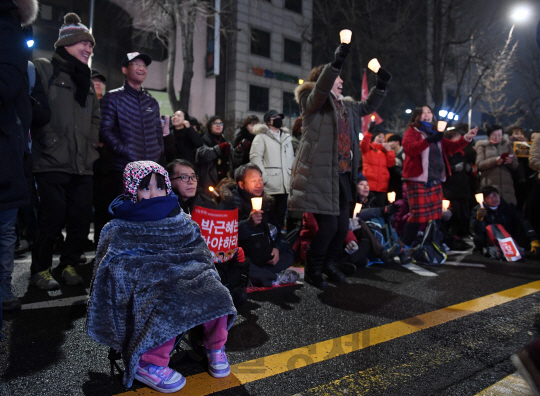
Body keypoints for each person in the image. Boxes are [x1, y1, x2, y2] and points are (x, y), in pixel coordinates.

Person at [86, 161, 236, 392]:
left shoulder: (180, 218)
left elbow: (198, 250)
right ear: (131, 190)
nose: (154, 194)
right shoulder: (119, 226)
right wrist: (150, 272)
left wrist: (198, 269)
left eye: (160, 187)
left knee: (216, 291)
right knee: (168, 299)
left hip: (187, 273)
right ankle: (149, 364)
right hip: (150, 281)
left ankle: (215, 347)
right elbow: (113, 266)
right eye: (145, 188)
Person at [289, 42, 390, 288]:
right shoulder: (312, 101)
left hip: (344, 176)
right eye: (337, 78)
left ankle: (328, 265)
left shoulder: (347, 106)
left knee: (342, 226)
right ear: (324, 78)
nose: (341, 81)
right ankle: (313, 270)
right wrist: (335, 63)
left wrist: (382, 84)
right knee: (328, 228)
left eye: (341, 77)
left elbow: (368, 107)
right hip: (321, 175)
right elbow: (321, 89)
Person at [30, 12, 100, 289]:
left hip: (83, 163)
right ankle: (41, 269)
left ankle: (69, 264)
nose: (89, 49)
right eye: (84, 43)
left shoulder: (87, 79)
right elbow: (36, 107)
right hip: (51, 160)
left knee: (81, 219)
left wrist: (91, 146)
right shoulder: (44, 68)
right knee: (52, 218)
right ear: (66, 44)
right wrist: (51, 141)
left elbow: (95, 117)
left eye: (91, 46)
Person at [399, 105, 477, 262]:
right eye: (423, 113)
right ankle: (402, 247)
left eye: (429, 112)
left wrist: (467, 137)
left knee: (435, 216)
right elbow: (410, 149)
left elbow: (452, 147)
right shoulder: (412, 132)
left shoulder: (437, 133)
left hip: (435, 179)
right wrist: (428, 140)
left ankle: (429, 245)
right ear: (416, 118)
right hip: (418, 180)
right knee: (417, 217)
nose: (427, 115)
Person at [0, 0, 38, 313]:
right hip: (11, 143)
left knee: (5, 228)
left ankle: (3, 288)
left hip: (9, 147)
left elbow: (10, 86)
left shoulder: (10, 27)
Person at [219, 163, 298, 287]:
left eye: (260, 180)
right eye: (253, 181)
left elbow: (276, 230)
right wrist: (248, 224)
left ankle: (256, 277)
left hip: (263, 255)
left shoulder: (266, 202)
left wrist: (276, 248)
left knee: (288, 255)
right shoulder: (231, 203)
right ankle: (271, 278)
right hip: (245, 256)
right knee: (237, 265)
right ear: (241, 185)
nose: (259, 185)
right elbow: (225, 236)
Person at [100, 52, 163, 195]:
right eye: (136, 64)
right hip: (123, 168)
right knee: (125, 213)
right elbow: (104, 130)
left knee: (148, 214)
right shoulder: (113, 97)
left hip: (151, 169)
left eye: (144, 66)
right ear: (124, 69)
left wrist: (158, 151)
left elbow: (158, 131)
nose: (141, 68)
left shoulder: (151, 102)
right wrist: (125, 151)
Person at [250, 110, 295, 229]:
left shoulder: (286, 138)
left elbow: (291, 159)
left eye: (280, 117)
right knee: (267, 219)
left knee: (280, 220)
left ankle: (278, 245)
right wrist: (263, 177)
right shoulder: (261, 137)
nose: (279, 118)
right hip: (270, 186)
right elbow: (255, 158)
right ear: (268, 121)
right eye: (275, 117)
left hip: (285, 186)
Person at [470, 186, 539, 256]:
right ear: (484, 200)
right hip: (490, 240)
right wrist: (479, 219)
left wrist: (533, 239)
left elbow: (523, 222)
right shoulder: (478, 210)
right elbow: (476, 230)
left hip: (509, 237)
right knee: (483, 235)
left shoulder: (508, 207)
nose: (494, 199)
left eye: (495, 196)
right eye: (489, 198)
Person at [442, 127, 475, 251]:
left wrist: (469, 169)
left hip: (463, 189)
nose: (459, 139)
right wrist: (454, 168)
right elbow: (441, 169)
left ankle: (459, 237)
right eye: (456, 136)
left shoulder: (463, 153)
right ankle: (450, 238)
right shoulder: (446, 153)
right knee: (453, 216)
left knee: (463, 216)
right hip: (451, 190)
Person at [91, 69, 112, 247]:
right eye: (94, 80)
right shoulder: (84, 101)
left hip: (106, 164)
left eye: (100, 81)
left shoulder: (109, 103)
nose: (98, 83)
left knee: (103, 205)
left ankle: (101, 242)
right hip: (86, 159)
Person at [475, 124, 518, 205]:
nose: (497, 137)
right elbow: (479, 164)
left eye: (499, 135)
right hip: (489, 182)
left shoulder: (507, 146)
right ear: (489, 135)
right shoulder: (483, 146)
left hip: (506, 184)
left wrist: (510, 162)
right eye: (494, 135)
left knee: (508, 208)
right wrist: (495, 161)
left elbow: (515, 165)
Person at [196, 115, 231, 196]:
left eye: (220, 124)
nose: (218, 125)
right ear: (210, 126)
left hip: (224, 181)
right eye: (215, 123)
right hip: (209, 181)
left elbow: (233, 161)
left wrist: (240, 150)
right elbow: (201, 156)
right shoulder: (204, 139)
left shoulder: (226, 141)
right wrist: (218, 148)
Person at [360, 128, 396, 207]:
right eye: (379, 137)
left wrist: (389, 151)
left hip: (382, 187)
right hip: (369, 186)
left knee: (380, 210)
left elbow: (391, 164)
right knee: (368, 208)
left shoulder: (385, 152)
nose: (381, 139)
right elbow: (363, 143)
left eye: (383, 137)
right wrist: (369, 132)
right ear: (374, 137)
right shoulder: (368, 149)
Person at [387, 134, 404, 200]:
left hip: (402, 182)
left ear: (397, 142)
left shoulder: (404, 153)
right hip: (394, 184)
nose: (389, 144)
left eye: (391, 141)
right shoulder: (391, 154)